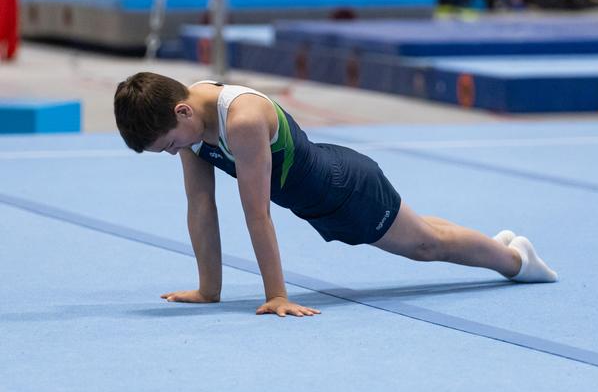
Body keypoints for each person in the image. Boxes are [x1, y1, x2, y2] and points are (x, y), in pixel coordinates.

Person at [113, 73, 558, 318]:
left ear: (182, 111)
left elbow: (257, 215)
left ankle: (517, 262)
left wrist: (277, 295)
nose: (175, 153)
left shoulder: (242, 120)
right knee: (425, 233)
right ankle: (504, 249)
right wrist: (209, 290)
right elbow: (201, 207)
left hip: (346, 191)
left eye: (170, 145)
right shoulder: (189, 122)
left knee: (426, 245)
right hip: (320, 199)